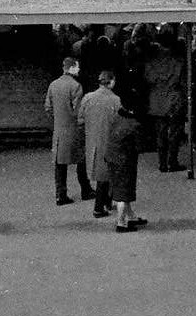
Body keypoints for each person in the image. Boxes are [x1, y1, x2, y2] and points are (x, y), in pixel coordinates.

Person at [45, 56, 93, 205]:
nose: (79, 69)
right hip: (74, 130)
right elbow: (78, 111)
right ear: (71, 68)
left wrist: (58, 119)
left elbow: (48, 108)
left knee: (60, 163)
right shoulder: (76, 86)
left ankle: (61, 194)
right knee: (81, 160)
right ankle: (86, 190)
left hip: (59, 130)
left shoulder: (53, 85)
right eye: (77, 67)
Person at [79, 70, 121, 219]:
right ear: (111, 82)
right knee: (106, 175)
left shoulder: (88, 98)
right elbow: (119, 122)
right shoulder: (116, 100)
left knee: (100, 172)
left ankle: (106, 203)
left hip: (92, 140)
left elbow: (80, 119)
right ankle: (99, 206)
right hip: (109, 140)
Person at [144, 41, 186, 174]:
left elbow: (148, 79)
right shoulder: (177, 64)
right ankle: (172, 161)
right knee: (175, 133)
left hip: (157, 102)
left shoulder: (151, 64)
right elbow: (181, 81)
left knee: (160, 134)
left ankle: (162, 163)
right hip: (174, 101)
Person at [104, 100, 145, 232]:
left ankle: (131, 216)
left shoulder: (116, 118)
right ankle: (121, 223)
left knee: (121, 188)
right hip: (125, 161)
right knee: (123, 191)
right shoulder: (134, 125)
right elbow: (139, 146)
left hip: (112, 157)